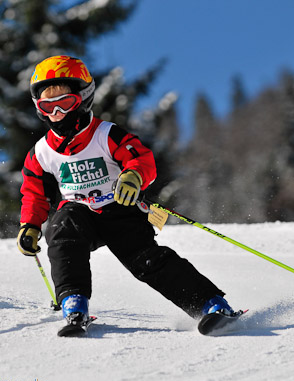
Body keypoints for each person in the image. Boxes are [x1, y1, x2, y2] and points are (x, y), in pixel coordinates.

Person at [17, 55, 234, 331]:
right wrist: (31, 225)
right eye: (49, 106)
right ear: (39, 109)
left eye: (65, 102)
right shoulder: (41, 152)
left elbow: (141, 159)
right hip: (78, 213)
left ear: (83, 98)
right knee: (61, 230)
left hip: (119, 208)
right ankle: (74, 303)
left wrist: (132, 176)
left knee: (145, 261)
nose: (58, 113)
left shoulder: (106, 134)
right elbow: (33, 192)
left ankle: (210, 304)